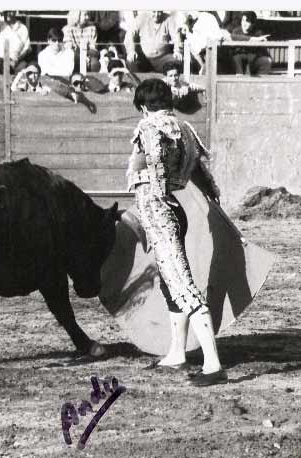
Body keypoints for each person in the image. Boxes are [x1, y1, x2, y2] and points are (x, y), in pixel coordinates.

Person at [127, 78, 226, 387]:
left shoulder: (148, 129)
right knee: (172, 283)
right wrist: (214, 198)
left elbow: (149, 164)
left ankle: (213, 364)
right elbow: (201, 174)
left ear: (144, 106)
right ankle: (176, 353)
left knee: (182, 284)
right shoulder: (184, 130)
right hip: (175, 210)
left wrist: (150, 192)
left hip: (159, 212)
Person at [0, 10, 32, 74]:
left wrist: (16, 60)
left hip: (14, 62)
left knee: (25, 66)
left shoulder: (22, 28)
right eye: (6, 11)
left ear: (15, 11)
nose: (8, 14)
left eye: (10, 11)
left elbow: (26, 49)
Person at [229, 11, 272, 76]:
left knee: (267, 61)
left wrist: (264, 42)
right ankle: (239, 77)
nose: (244, 23)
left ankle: (259, 82)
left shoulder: (257, 32)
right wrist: (254, 39)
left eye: (247, 21)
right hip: (239, 62)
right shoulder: (236, 31)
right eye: (243, 20)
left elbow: (263, 49)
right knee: (236, 55)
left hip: (252, 60)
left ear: (252, 23)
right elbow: (233, 38)